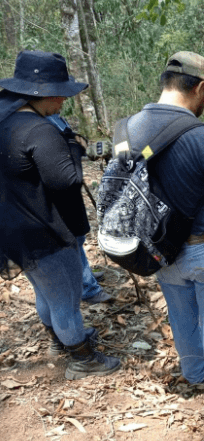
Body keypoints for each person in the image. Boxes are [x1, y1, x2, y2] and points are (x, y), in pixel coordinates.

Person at [119, 51, 204, 403]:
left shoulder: (127, 130)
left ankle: (194, 373)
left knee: (181, 316)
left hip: (159, 249)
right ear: (198, 88)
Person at [0, 50, 121, 378]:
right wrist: (73, 146)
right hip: (47, 235)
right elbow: (67, 179)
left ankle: (59, 341)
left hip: (15, 232)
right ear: (47, 93)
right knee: (66, 300)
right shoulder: (39, 130)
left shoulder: (7, 119)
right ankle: (83, 359)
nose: (63, 101)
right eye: (61, 94)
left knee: (45, 291)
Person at [46, 114, 112, 304]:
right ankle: (87, 288)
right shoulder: (40, 121)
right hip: (58, 193)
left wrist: (88, 148)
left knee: (78, 237)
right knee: (72, 239)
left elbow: (71, 140)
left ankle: (85, 275)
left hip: (69, 190)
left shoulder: (55, 116)